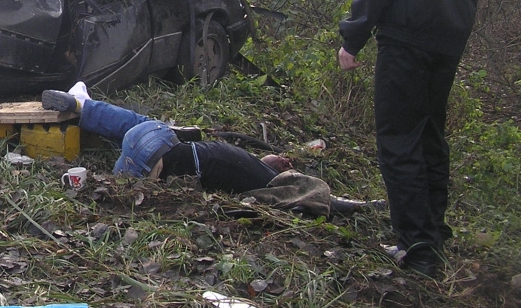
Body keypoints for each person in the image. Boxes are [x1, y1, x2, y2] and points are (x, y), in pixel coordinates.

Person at [338, 0, 495, 278]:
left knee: (399, 139)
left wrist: (353, 37)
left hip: (406, 38)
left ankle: (418, 249)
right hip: (450, 39)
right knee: (430, 135)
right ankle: (434, 234)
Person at [42, 87, 383, 218]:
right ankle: (364, 208)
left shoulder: (244, 166)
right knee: (135, 138)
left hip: (150, 142)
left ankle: (81, 104)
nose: (283, 163)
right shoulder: (263, 177)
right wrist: (354, 207)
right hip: (154, 155)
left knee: (135, 124)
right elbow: (299, 192)